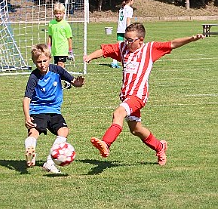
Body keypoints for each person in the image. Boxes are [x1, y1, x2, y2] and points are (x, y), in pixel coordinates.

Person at [84, 22, 205, 166]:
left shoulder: (150, 49)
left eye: (130, 40)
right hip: (126, 96)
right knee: (136, 130)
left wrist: (191, 38)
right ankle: (160, 147)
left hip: (138, 95)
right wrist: (90, 56)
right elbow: (105, 50)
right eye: (125, 39)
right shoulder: (123, 48)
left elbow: (172, 44)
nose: (126, 43)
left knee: (118, 113)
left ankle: (106, 143)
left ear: (140, 40)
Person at [23, 44, 84, 173]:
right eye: (38, 62)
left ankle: (50, 162)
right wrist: (27, 116)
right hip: (37, 110)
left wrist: (78, 83)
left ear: (50, 59)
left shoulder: (57, 70)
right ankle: (30, 149)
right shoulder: (34, 76)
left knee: (63, 131)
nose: (42, 64)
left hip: (54, 110)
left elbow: (74, 82)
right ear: (34, 62)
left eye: (44, 61)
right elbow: (26, 98)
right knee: (34, 132)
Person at [47, 2, 74, 89]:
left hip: (63, 49)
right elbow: (50, 36)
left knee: (60, 65)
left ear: (63, 13)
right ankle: (67, 81)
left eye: (60, 13)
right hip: (55, 49)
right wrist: (48, 48)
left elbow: (69, 38)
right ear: (54, 13)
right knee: (57, 67)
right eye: (56, 13)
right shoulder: (51, 24)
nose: (58, 15)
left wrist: (70, 51)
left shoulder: (66, 25)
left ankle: (60, 83)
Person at [111, 0, 134, 68]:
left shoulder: (121, 8)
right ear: (130, 1)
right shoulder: (129, 9)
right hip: (125, 30)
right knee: (129, 46)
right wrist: (129, 29)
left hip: (119, 29)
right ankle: (129, 61)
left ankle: (114, 62)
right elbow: (128, 20)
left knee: (119, 46)